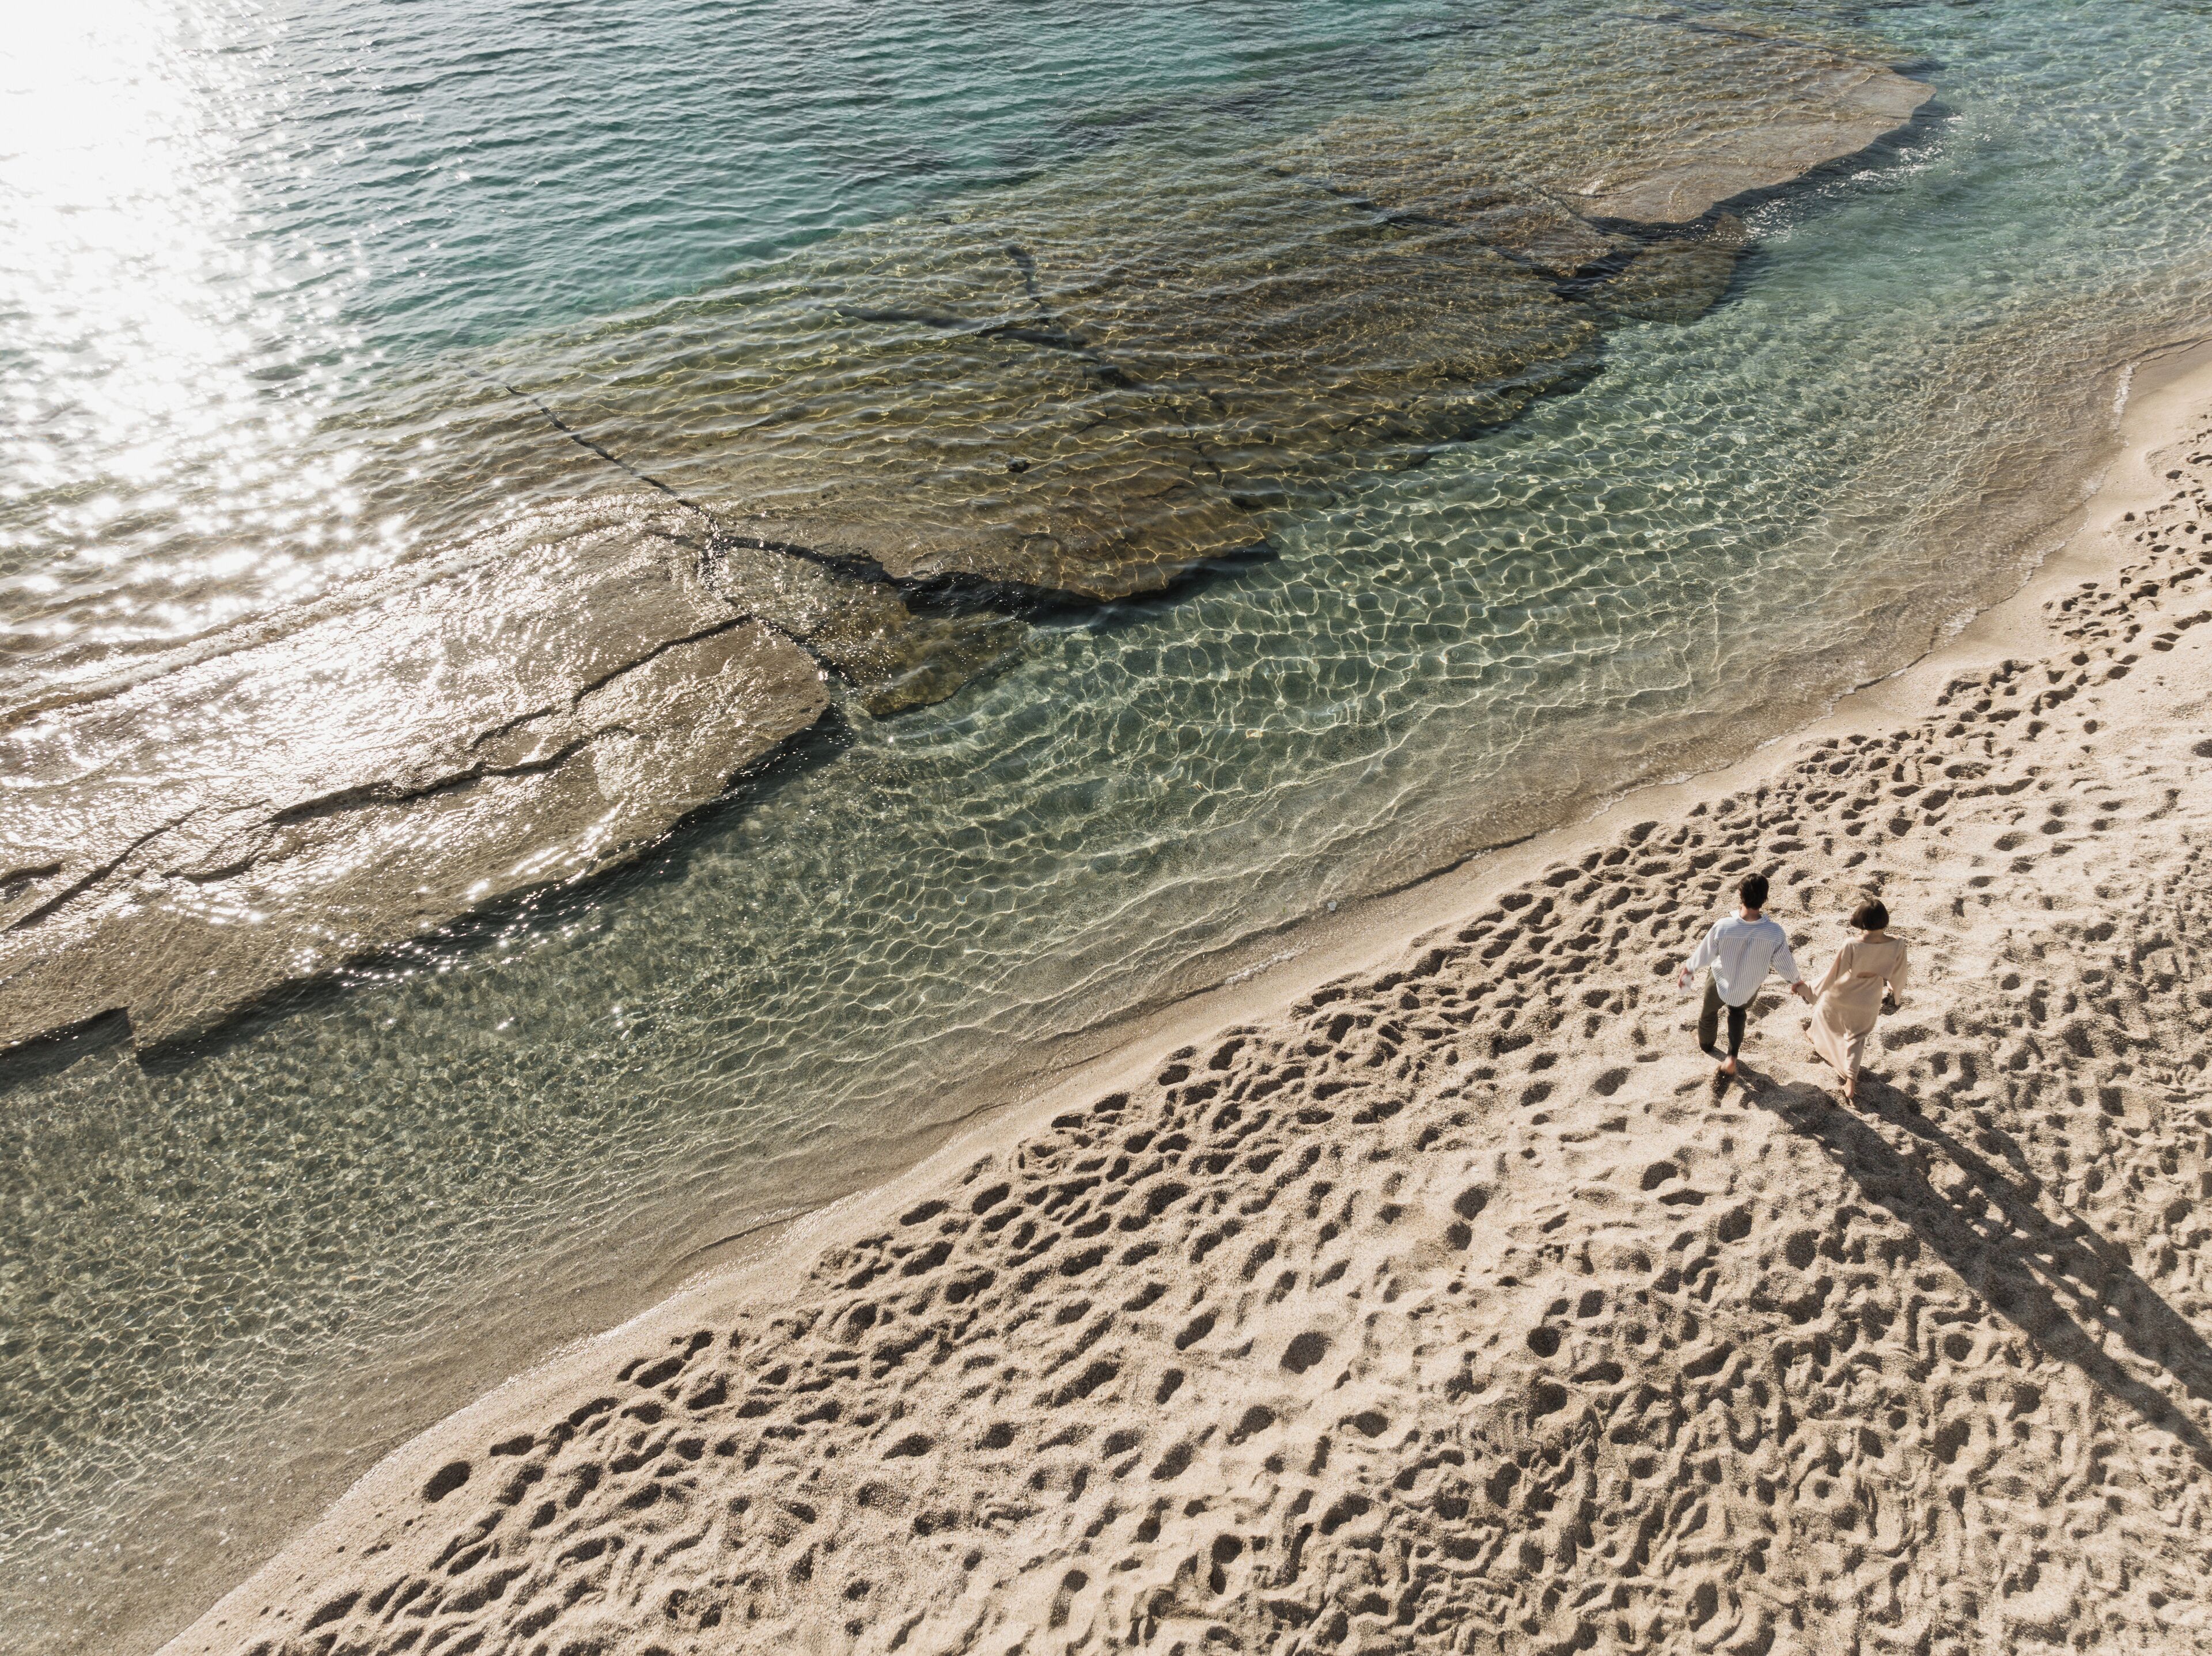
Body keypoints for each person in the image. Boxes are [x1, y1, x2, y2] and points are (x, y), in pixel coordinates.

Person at [1677, 873, 1813, 1078]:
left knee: (1708, 1013)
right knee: (1738, 1014)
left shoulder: (1723, 926)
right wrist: (1796, 981)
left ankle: (1706, 1045)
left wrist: (1689, 969)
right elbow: (1785, 963)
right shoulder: (1775, 932)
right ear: (1765, 899)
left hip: (1720, 981)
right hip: (1748, 987)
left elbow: (1705, 954)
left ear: (1740, 894)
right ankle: (1732, 1056)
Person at [1806, 897, 1910, 1101]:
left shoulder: (1852, 944)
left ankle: (1814, 1035)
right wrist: (1894, 993)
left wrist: (1809, 989)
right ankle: (1851, 1082)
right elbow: (1900, 974)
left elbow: (1833, 975)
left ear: (1861, 921)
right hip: (1870, 995)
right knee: (1857, 1036)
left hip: (1843, 991)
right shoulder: (1898, 943)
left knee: (1823, 1011)